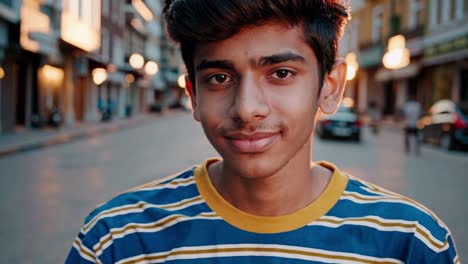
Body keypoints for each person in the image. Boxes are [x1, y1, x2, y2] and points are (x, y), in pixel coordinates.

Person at [66, 1, 459, 263]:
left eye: (281, 73)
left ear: (331, 86)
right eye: (219, 77)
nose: (247, 108)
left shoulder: (410, 242)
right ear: (194, 96)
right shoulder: (118, 239)